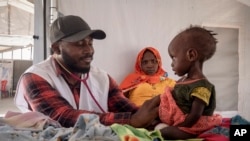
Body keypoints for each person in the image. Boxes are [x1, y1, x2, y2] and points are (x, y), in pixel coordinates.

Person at [14, 15, 160, 128]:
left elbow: (129, 109)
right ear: (57, 48)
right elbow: (61, 116)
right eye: (80, 44)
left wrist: (158, 117)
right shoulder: (35, 77)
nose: (89, 50)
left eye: (90, 43)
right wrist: (131, 121)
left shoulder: (103, 78)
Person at [158, 26, 222, 140]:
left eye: (174, 58)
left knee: (166, 132)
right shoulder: (183, 80)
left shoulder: (202, 87)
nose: (172, 64)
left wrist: (178, 126)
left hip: (193, 126)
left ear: (191, 55)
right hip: (181, 119)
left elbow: (195, 116)